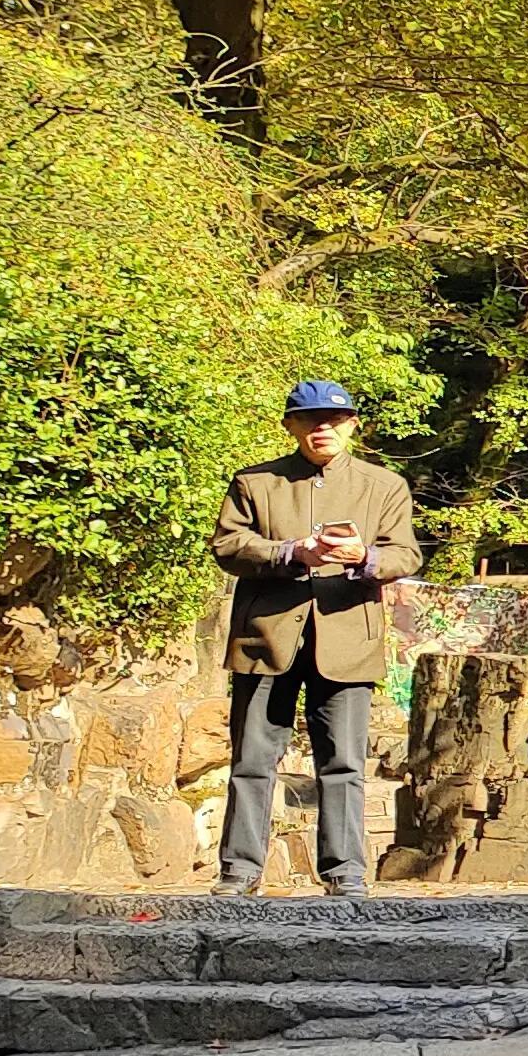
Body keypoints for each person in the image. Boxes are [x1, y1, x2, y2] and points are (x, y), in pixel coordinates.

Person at [209, 382, 419, 896]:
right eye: (309, 419)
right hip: (265, 639)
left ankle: (345, 871)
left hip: (349, 639)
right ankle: (239, 870)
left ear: (352, 425)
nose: (321, 427)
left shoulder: (384, 485)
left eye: (334, 418)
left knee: (344, 762)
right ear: (291, 425)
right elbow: (229, 545)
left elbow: (406, 555)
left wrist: (364, 560)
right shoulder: (255, 483)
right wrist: (289, 553)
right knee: (253, 760)